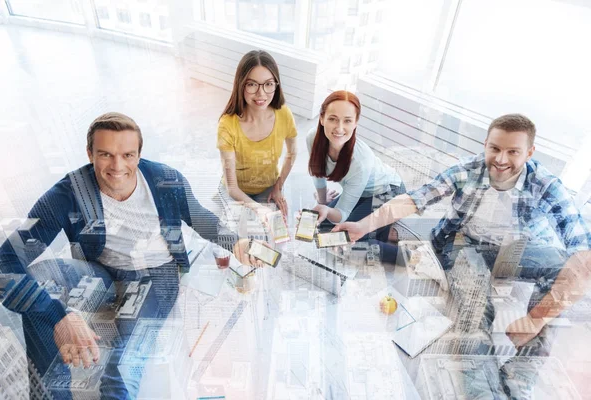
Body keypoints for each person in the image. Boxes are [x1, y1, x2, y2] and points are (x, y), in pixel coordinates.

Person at [0, 112, 257, 400]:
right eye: (105, 154)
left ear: (139, 154)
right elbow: (0, 268)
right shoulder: (67, 194)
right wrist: (59, 317)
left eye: (128, 155)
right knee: (38, 282)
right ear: (89, 154)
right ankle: (49, 395)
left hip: (157, 277)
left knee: (121, 370)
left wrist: (235, 242)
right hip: (102, 272)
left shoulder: (166, 180)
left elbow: (199, 216)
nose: (118, 166)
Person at [335, 113, 591, 398]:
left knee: (562, 282)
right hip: (461, 242)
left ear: (530, 152)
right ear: (485, 144)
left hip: (513, 249)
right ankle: (484, 394)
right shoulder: (467, 170)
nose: (501, 159)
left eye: (513, 152)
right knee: (475, 306)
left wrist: (535, 319)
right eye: (494, 148)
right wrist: (363, 225)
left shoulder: (545, 184)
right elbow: (415, 199)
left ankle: (518, 383)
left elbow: (584, 257)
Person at [307, 90, 404, 261]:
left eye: (347, 121)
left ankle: (409, 256)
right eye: (332, 119)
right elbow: (318, 172)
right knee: (324, 232)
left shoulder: (360, 160)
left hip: (388, 192)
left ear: (356, 123)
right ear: (321, 118)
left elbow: (342, 213)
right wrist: (323, 203)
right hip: (363, 193)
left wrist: (327, 209)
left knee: (347, 241)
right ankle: (384, 228)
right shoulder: (312, 138)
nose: (339, 128)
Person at [217, 50, 298, 220]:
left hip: (268, 187)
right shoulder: (227, 125)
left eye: (269, 84)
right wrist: (258, 209)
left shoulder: (284, 114)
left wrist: (278, 186)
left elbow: (292, 153)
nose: (261, 94)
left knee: (277, 233)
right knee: (236, 237)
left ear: (276, 85)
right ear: (241, 85)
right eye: (252, 84)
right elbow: (232, 187)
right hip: (236, 192)